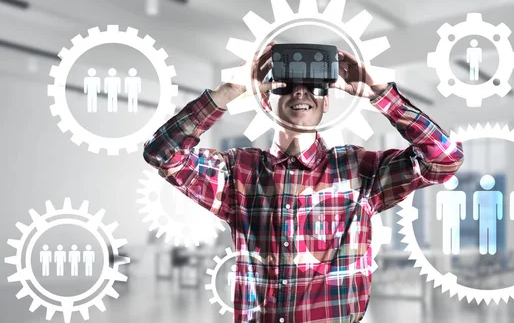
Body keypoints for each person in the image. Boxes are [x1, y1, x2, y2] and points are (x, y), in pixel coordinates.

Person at [143, 41, 464, 323]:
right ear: (267, 101)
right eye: (286, 85)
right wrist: (227, 92)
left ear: (326, 102)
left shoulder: (360, 171)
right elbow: (162, 154)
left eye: (313, 87)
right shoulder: (237, 173)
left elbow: (444, 159)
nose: (300, 92)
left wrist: (381, 95)